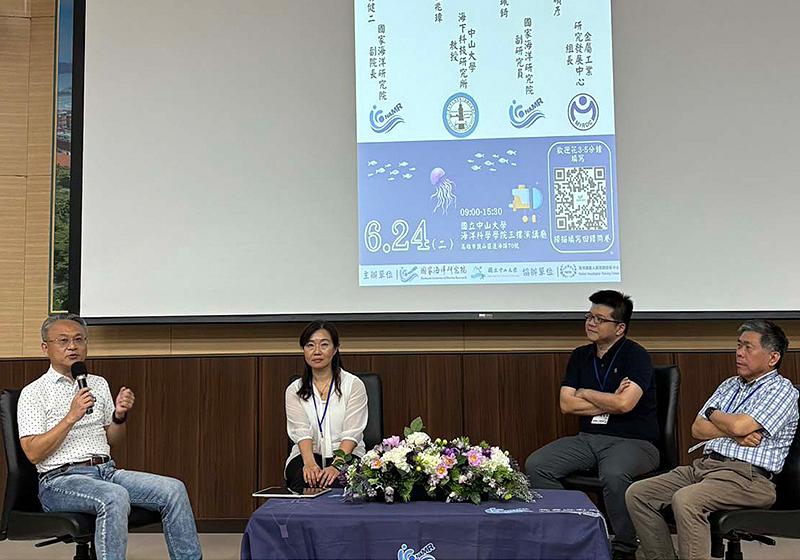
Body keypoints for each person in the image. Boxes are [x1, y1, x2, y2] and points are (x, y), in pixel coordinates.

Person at [17, 314, 202, 560]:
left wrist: (119, 416)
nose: (72, 347)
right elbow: (33, 453)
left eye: (79, 340)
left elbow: (113, 439)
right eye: (63, 341)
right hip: (60, 481)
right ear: (45, 348)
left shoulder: (98, 383)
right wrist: (71, 417)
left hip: (107, 471)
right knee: (114, 496)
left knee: (173, 489)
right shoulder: (34, 392)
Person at [626, 320, 799, 560]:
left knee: (686, 500)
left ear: (773, 358)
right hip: (705, 468)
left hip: (747, 478)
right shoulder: (729, 385)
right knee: (638, 493)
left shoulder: (781, 390)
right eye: (738, 345)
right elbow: (698, 429)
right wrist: (732, 430)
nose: (739, 353)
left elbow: (739, 425)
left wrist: (714, 415)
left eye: (748, 347)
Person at [525, 290, 659, 559]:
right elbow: (566, 405)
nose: (591, 323)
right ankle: (577, 529)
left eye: (600, 319)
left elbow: (625, 405)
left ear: (619, 328)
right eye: (589, 317)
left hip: (633, 441)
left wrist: (585, 393)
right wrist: (610, 399)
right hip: (588, 438)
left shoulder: (636, 356)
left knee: (613, 474)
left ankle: (624, 546)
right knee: (537, 465)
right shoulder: (580, 356)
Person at [284, 320, 368, 492]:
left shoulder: (353, 385)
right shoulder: (294, 390)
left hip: (347, 454)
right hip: (307, 455)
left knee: (338, 483)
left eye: (324, 345)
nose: (317, 351)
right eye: (310, 345)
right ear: (304, 350)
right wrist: (309, 464)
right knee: (304, 480)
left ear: (335, 349)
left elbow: (352, 433)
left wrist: (337, 465)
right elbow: (301, 431)